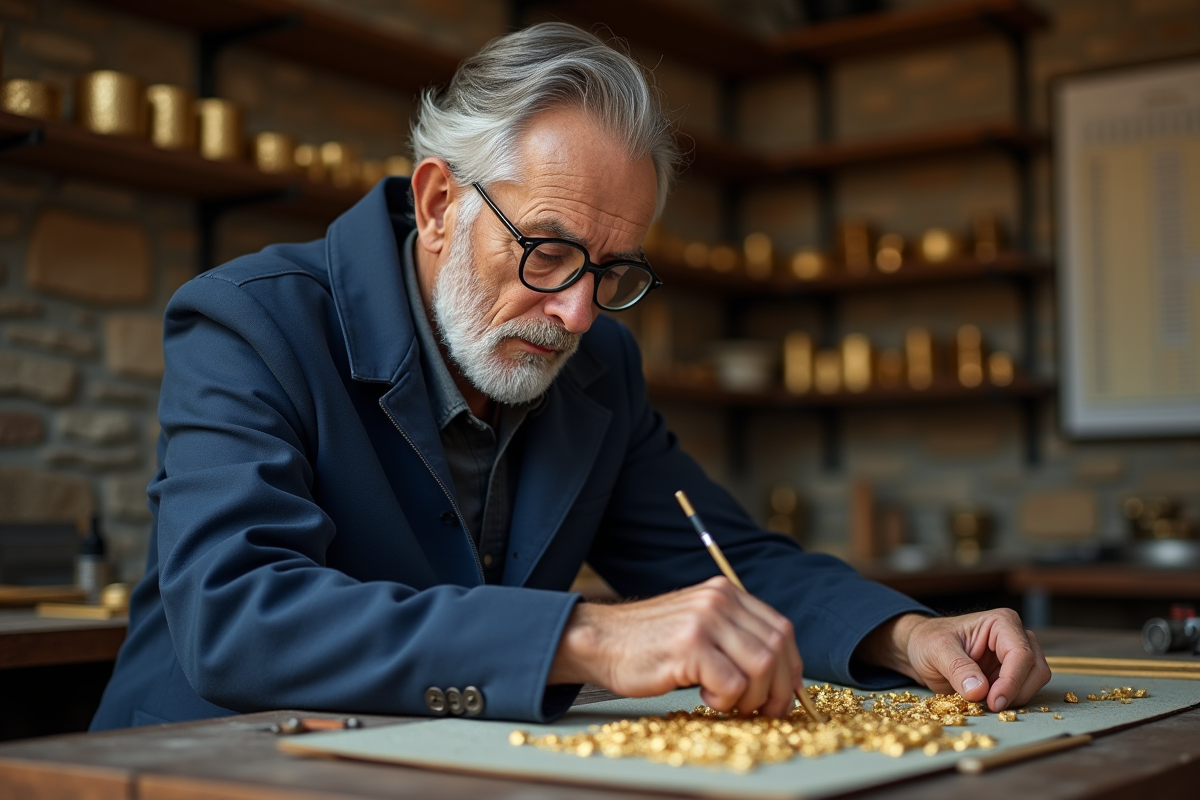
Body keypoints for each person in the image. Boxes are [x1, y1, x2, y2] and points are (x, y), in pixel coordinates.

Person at [91, 23, 1050, 731]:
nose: (579, 314)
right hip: (197, 773)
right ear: (436, 205)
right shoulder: (249, 320)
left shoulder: (600, 369)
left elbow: (727, 564)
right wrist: (583, 639)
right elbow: (236, 615)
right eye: (547, 252)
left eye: (613, 272)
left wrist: (907, 636)